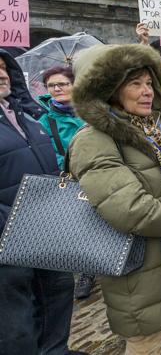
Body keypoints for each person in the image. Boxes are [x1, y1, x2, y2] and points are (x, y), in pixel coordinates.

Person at [69, 44, 161, 353]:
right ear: (108, 89)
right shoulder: (93, 140)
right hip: (136, 273)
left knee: (155, 341)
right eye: (135, 84)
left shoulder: (147, 130)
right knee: (145, 343)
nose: (147, 91)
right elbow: (129, 209)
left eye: (149, 82)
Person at [0, 50, 78, 354]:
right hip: (8, 244)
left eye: (4, 68)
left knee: (57, 305)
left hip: (46, 235)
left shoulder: (28, 116)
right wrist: (11, 223)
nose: (2, 73)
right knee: (16, 327)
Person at [37, 66, 95, 300]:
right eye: (52, 86)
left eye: (62, 84)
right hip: (70, 177)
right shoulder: (45, 119)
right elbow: (49, 152)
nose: (57, 89)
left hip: (98, 172)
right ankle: (86, 271)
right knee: (79, 225)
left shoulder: (90, 111)